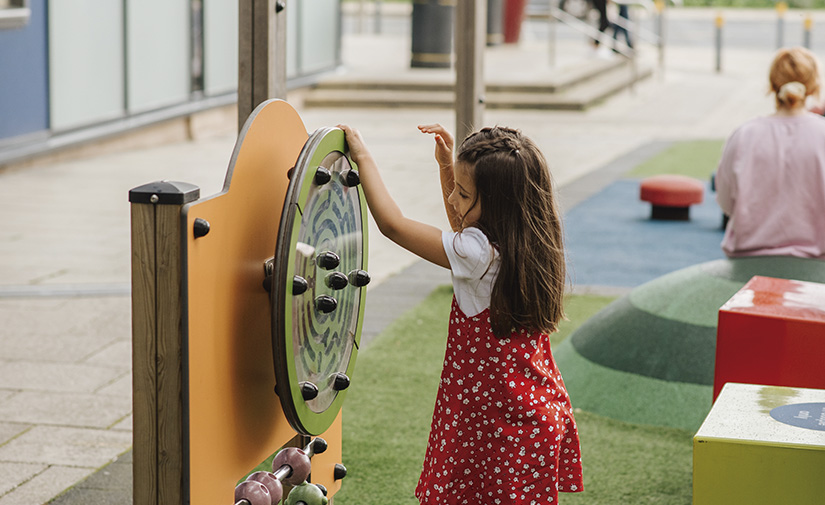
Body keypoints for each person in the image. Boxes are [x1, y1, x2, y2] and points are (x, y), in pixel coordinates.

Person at [338, 123, 584, 504]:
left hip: (497, 424)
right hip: (534, 413)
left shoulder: (477, 254)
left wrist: (363, 156)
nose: (453, 199)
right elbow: (463, 230)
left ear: (496, 205)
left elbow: (393, 226)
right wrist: (446, 168)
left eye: (463, 193)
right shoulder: (532, 241)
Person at [715, 46, 825, 260]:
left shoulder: (744, 135)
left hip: (748, 261)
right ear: (813, 87)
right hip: (815, 262)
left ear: (773, 86)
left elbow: (726, 203)